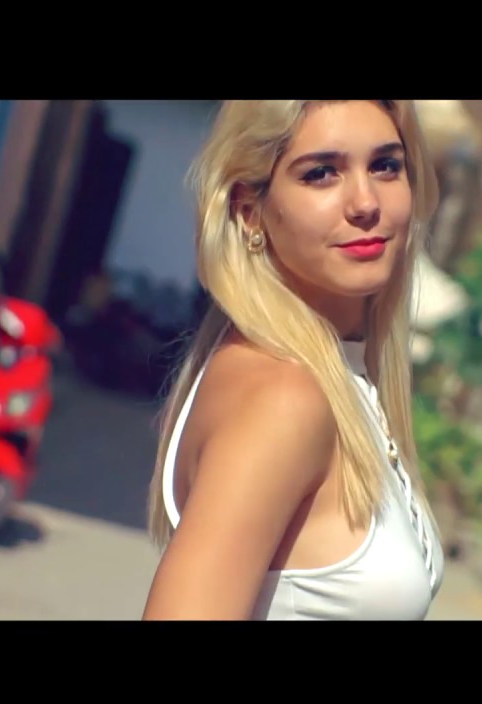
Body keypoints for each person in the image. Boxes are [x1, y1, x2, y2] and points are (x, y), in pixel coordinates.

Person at [141, 100, 445, 620]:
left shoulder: (338, 374)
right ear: (249, 211)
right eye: (321, 173)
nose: (365, 202)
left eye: (385, 166)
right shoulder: (284, 398)